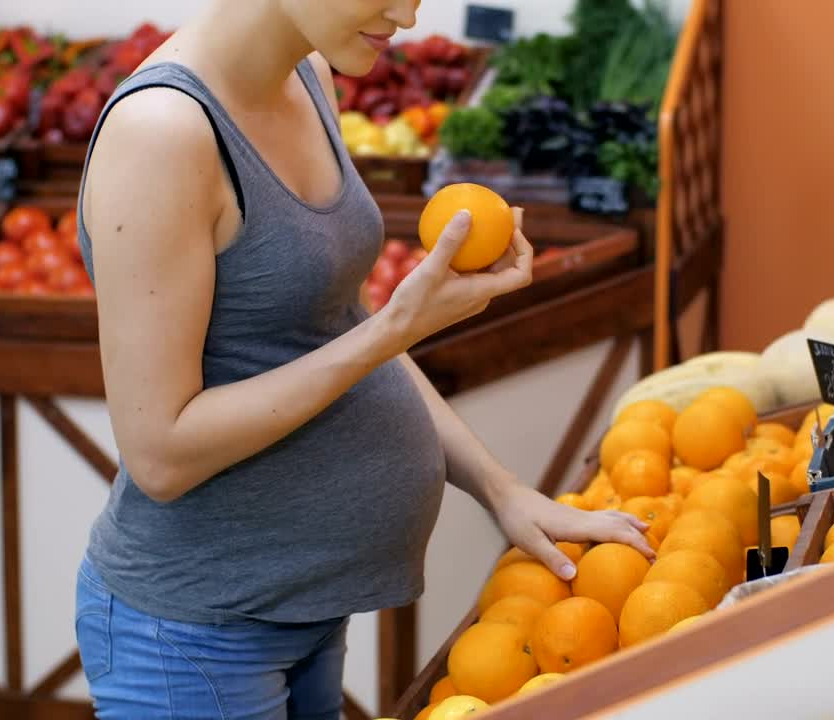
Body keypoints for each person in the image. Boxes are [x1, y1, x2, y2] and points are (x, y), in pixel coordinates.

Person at [72, 1, 653, 717]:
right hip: (198, 636)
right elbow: (160, 453)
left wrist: (502, 491)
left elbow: (334, 327)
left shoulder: (309, 72)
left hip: (303, 613)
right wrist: (397, 327)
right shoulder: (162, 134)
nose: (409, 14)